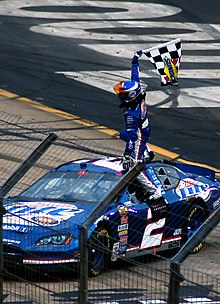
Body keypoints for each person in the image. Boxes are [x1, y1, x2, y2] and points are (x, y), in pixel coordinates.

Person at [113, 50, 163, 202]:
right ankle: (147, 150)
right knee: (131, 140)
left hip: (139, 134)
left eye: (122, 94)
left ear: (129, 96)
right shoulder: (138, 91)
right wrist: (135, 60)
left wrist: (128, 154)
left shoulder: (131, 114)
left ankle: (154, 190)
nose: (120, 96)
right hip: (146, 127)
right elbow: (135, 76)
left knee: (131, 165)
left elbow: (132, 136)